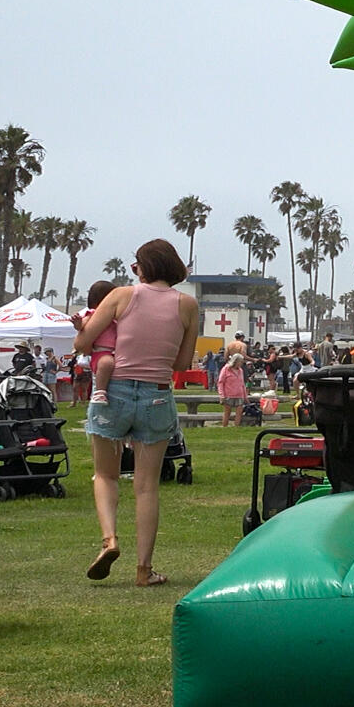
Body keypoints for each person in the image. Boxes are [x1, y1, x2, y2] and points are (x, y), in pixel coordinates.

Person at [74, 238, 200, 588]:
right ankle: (144, 570)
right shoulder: (188, 305)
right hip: (157, 394)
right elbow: (182, 362)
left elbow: (82, 345)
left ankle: (110, 540)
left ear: (143, 267)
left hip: (112, 390)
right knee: (147, 488)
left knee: (106, 475)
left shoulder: (120, 296)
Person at [78, 280, 120, 405]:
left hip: (116, 351)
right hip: (102, 352)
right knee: (106, 364)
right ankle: (100, 392)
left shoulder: (116, 315)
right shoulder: (93, 314)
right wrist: (78, 324)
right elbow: (83, 324)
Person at [217, 352, 246, 426]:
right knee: (227, 413)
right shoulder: (226, 369)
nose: (241, 364)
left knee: (239, 413)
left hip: (239, 395)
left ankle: (236, 427)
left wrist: (245, 396)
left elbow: (242, 384)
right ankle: (224, 427)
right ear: (235, 361)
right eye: (240, 362)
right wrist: (222, 395)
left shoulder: (240, 371)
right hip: (228, 394)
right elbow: (220, 383)